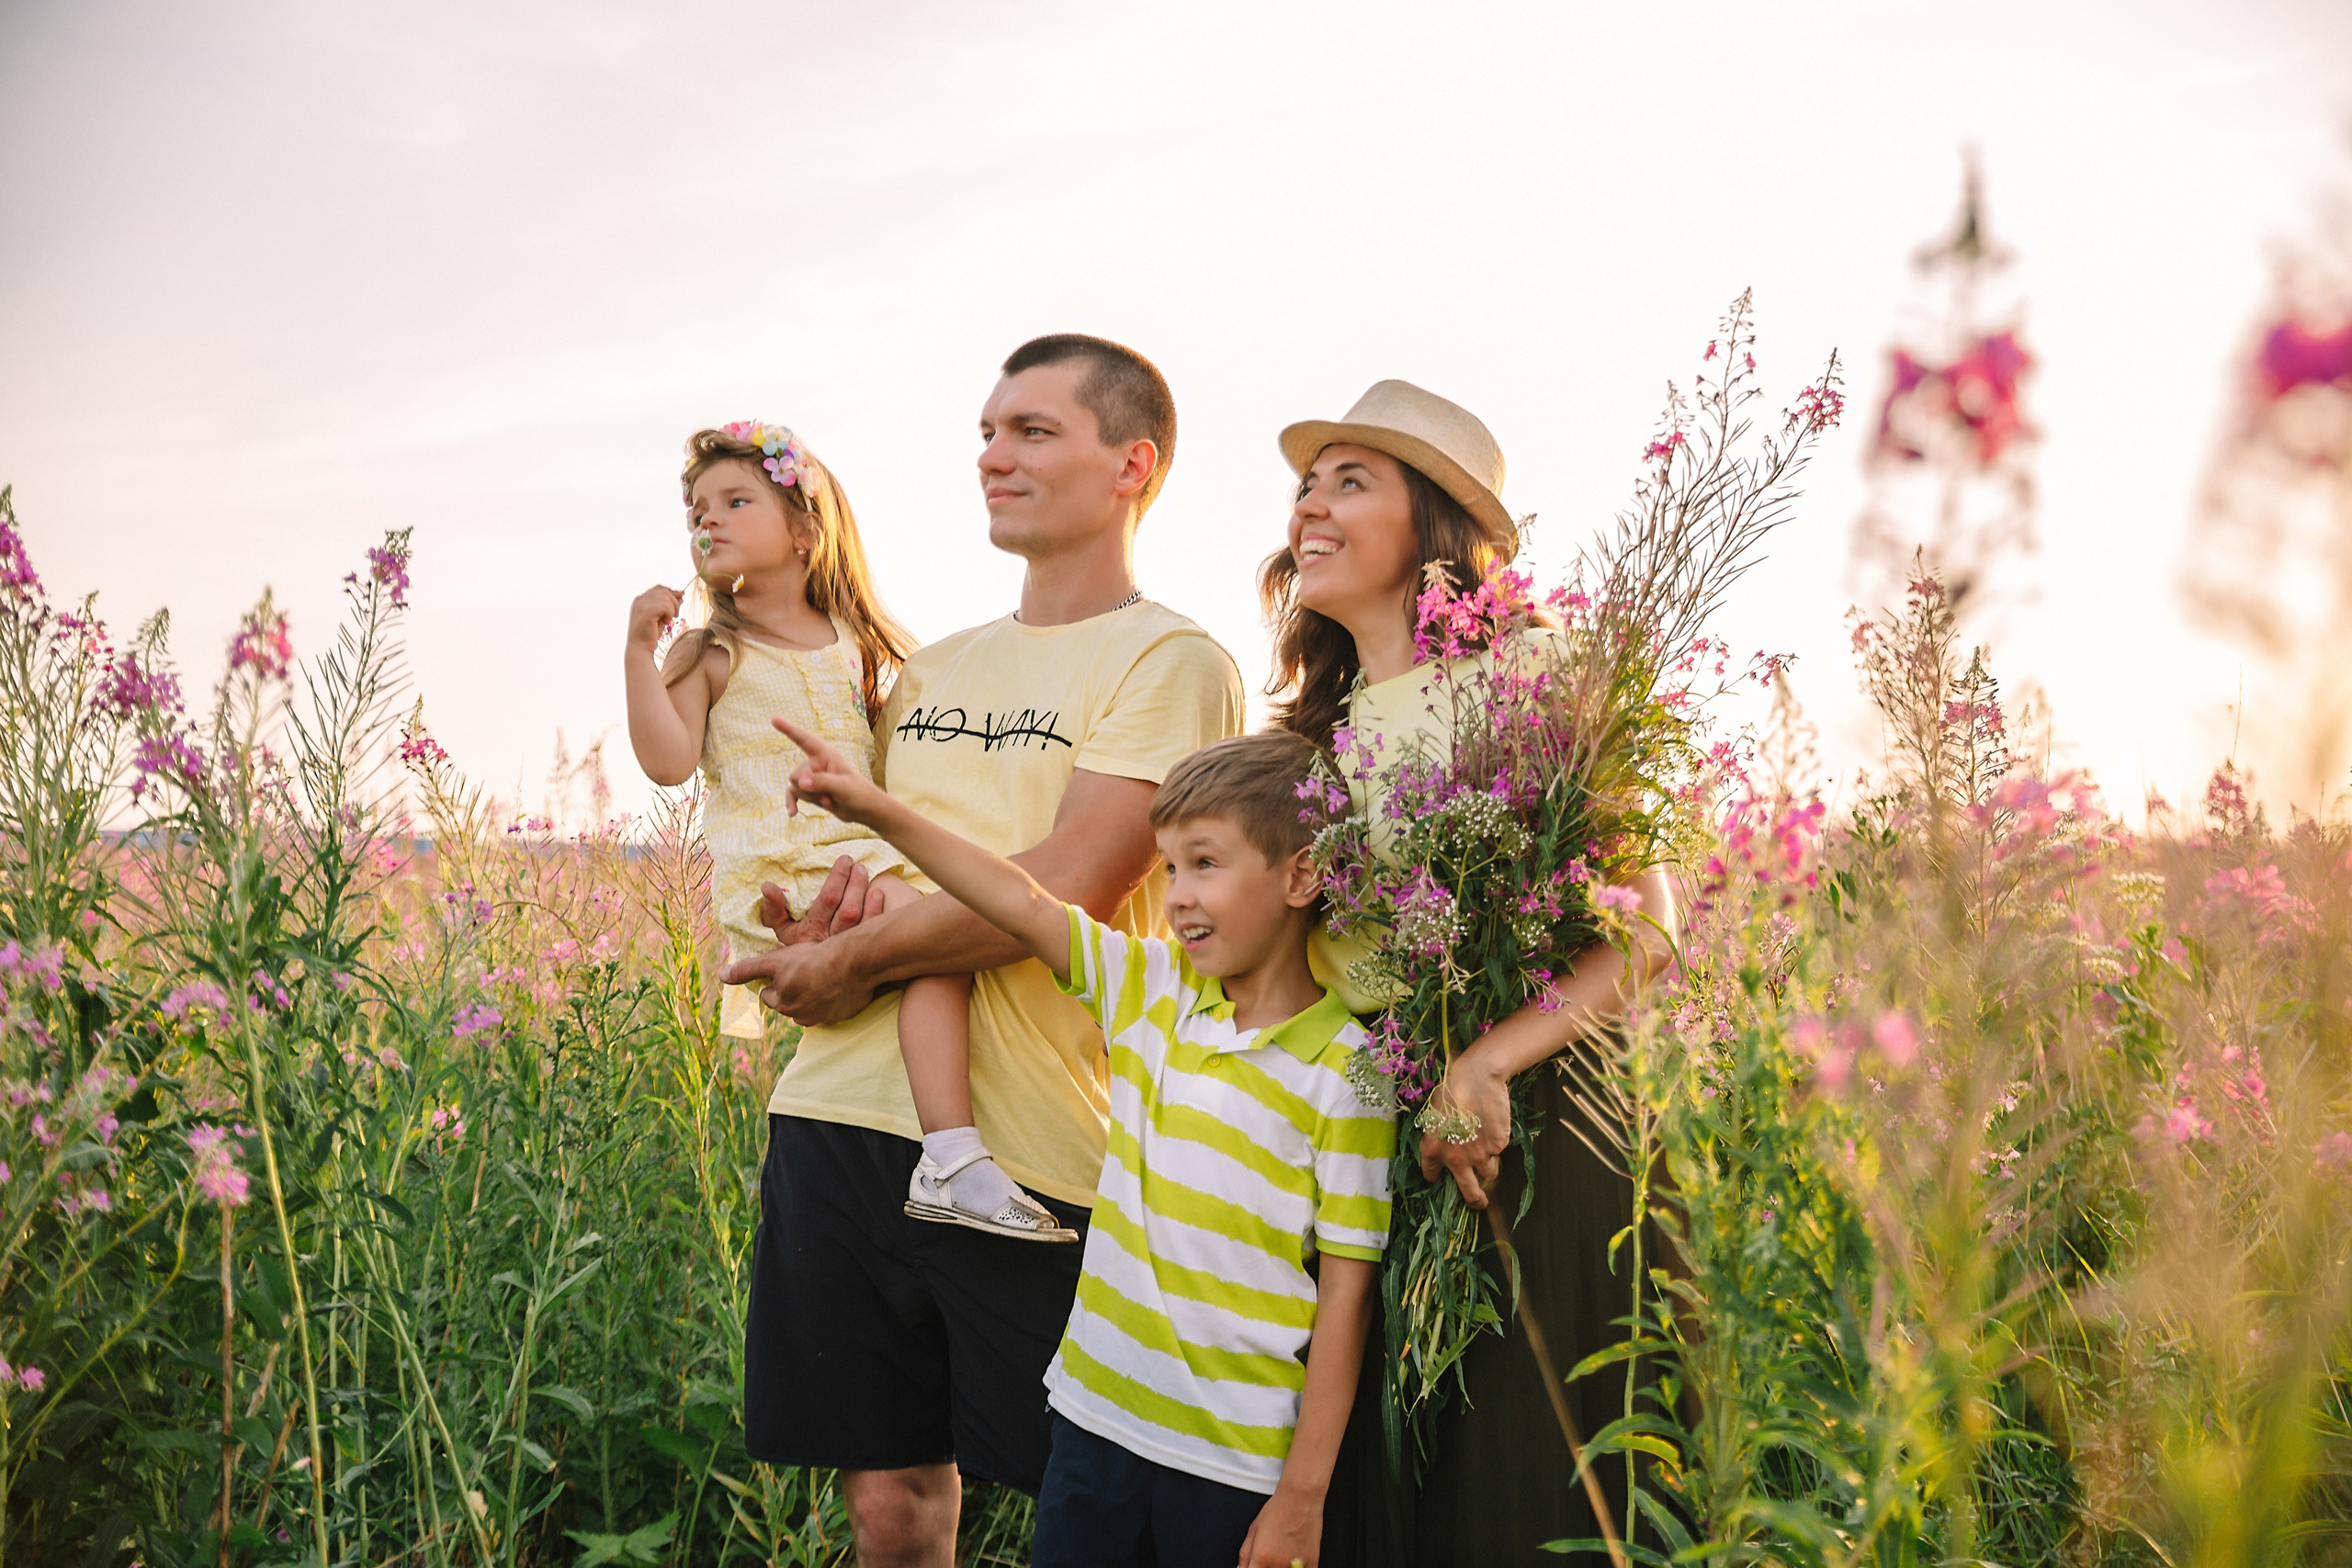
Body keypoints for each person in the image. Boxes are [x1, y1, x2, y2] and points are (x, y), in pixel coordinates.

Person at [721, 336, 1245, 1566]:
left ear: (1133, 465)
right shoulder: (928, 669)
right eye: (988, 432)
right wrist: (816, 939)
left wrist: (857, 961)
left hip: (1024, 1143)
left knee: (1086, 1491)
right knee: (889, 1505)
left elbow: (1073, 881)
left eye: (1033, 431)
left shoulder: (1171, 661)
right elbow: (875, 868)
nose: (994, 456)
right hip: (841, 1109)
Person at [776, 723, 1393, 1568]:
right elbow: (1023, 902)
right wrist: (875, 809)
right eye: (1169, 867)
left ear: (1301, 875)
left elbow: (1348, 1295)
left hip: (1232, 1467)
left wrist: (1302, 1495)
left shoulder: (1352, 1072)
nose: (1178, 896)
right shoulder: (1151, 991)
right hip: (1092, 1427)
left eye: (1205, 863)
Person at [1261, 380, 1677, 1565]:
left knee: (1527, 1487)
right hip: (1379, 1145)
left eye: (1350, 482)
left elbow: (1648, 928)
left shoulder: (1537, 668)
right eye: (1305, 486)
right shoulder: (1307, 740)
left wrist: (1485, 1063)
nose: (1309, 507)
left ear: (1435, 527)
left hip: (1543, 1137)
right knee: (1392, 1493)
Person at [624, 423, 1071, 1241]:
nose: (707, 519)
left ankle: (949, 1149)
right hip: (784, 864)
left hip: (856, 854)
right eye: (697, 509)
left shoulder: (852, 643)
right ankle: (951, 1155)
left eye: (735, 501)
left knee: (933, 942)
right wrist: (635, 655)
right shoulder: (713, 649)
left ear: (805, 528)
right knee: (938, 940)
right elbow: (666, 760)